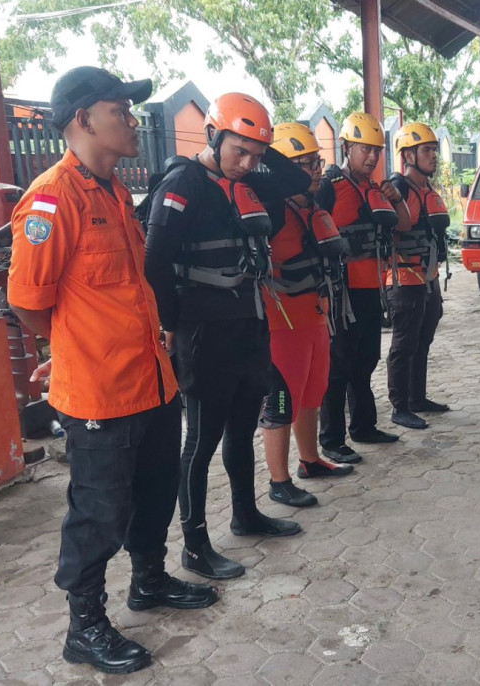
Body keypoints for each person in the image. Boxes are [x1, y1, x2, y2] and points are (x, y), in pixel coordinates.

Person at [7, 66, 217, 675]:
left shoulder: (116, 193)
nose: (131, 119)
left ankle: (148, 580)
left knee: (153, 491)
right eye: (119, 109)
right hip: (98, 392)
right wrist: (71, 345)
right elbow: (27, 298)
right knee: (98, 511)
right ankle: (85, 625)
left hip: (151, 378)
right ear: (82, 120)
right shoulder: (52, 198)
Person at [143, 93, 309, 580]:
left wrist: (260, 140)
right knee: (201, 440)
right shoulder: (184, 182)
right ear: (213, 136)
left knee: (241, 428)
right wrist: (170, 325)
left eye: (257, 154)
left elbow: (296, 180)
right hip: (202, 332)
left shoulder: (250, 184)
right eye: (239, 150)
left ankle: (246, 514)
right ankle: (194, 546)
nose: (249, 162)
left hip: (247, 326)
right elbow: (155, 261)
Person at [258, 122, 355, 508]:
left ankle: (310, 461)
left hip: (315, 315)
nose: (314, 170)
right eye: (303, 163)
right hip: (281, 322)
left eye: (315, 161)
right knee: (282, 400)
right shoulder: (272, 210)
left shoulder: (313, 206)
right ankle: (278, 482)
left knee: (312, 393)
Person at [316, 112, 411, 462]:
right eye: (364, 149)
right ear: (346, 147)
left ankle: (364, 426)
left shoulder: (376, 188)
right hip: (341, 293)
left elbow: (403, 224)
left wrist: (396, 197)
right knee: (338, 365)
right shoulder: (328, 186)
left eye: (376, 150)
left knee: (366, 359)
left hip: (372, 288)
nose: (371, 157)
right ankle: (331, 439)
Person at [386, 122, 452, 430]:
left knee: (423, 339)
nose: (433, 157)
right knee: (404, 344)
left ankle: (417, 398)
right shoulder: (396, 190)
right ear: (407, 155)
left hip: (429, 278)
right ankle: (400, 407)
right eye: (427, 151)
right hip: (404, 280)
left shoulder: (427, 190)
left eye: (434, 151)